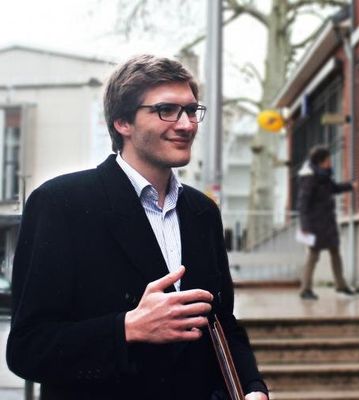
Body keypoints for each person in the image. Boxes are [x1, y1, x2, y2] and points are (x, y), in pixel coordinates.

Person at [6, 55, 268, 400]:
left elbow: (222, 321)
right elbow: (28, 348)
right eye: (166, 110)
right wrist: (126, 328)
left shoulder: (202, 211)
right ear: (122, 123)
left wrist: (252, 387)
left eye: (191, 110)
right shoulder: (60, 204)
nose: (187, 124)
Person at [296, 145, 355, 300]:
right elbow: (303, 204)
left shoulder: (324, 176)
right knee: (313, 256)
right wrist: (305, 227)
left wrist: (349, 186)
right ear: (321, 161)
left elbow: (333, 188)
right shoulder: (310, 178)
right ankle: (305, 289)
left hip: (327, 223)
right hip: (314, 225)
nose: (331, 162)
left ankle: (341, 285)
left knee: (335, 253)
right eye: (328, 159)